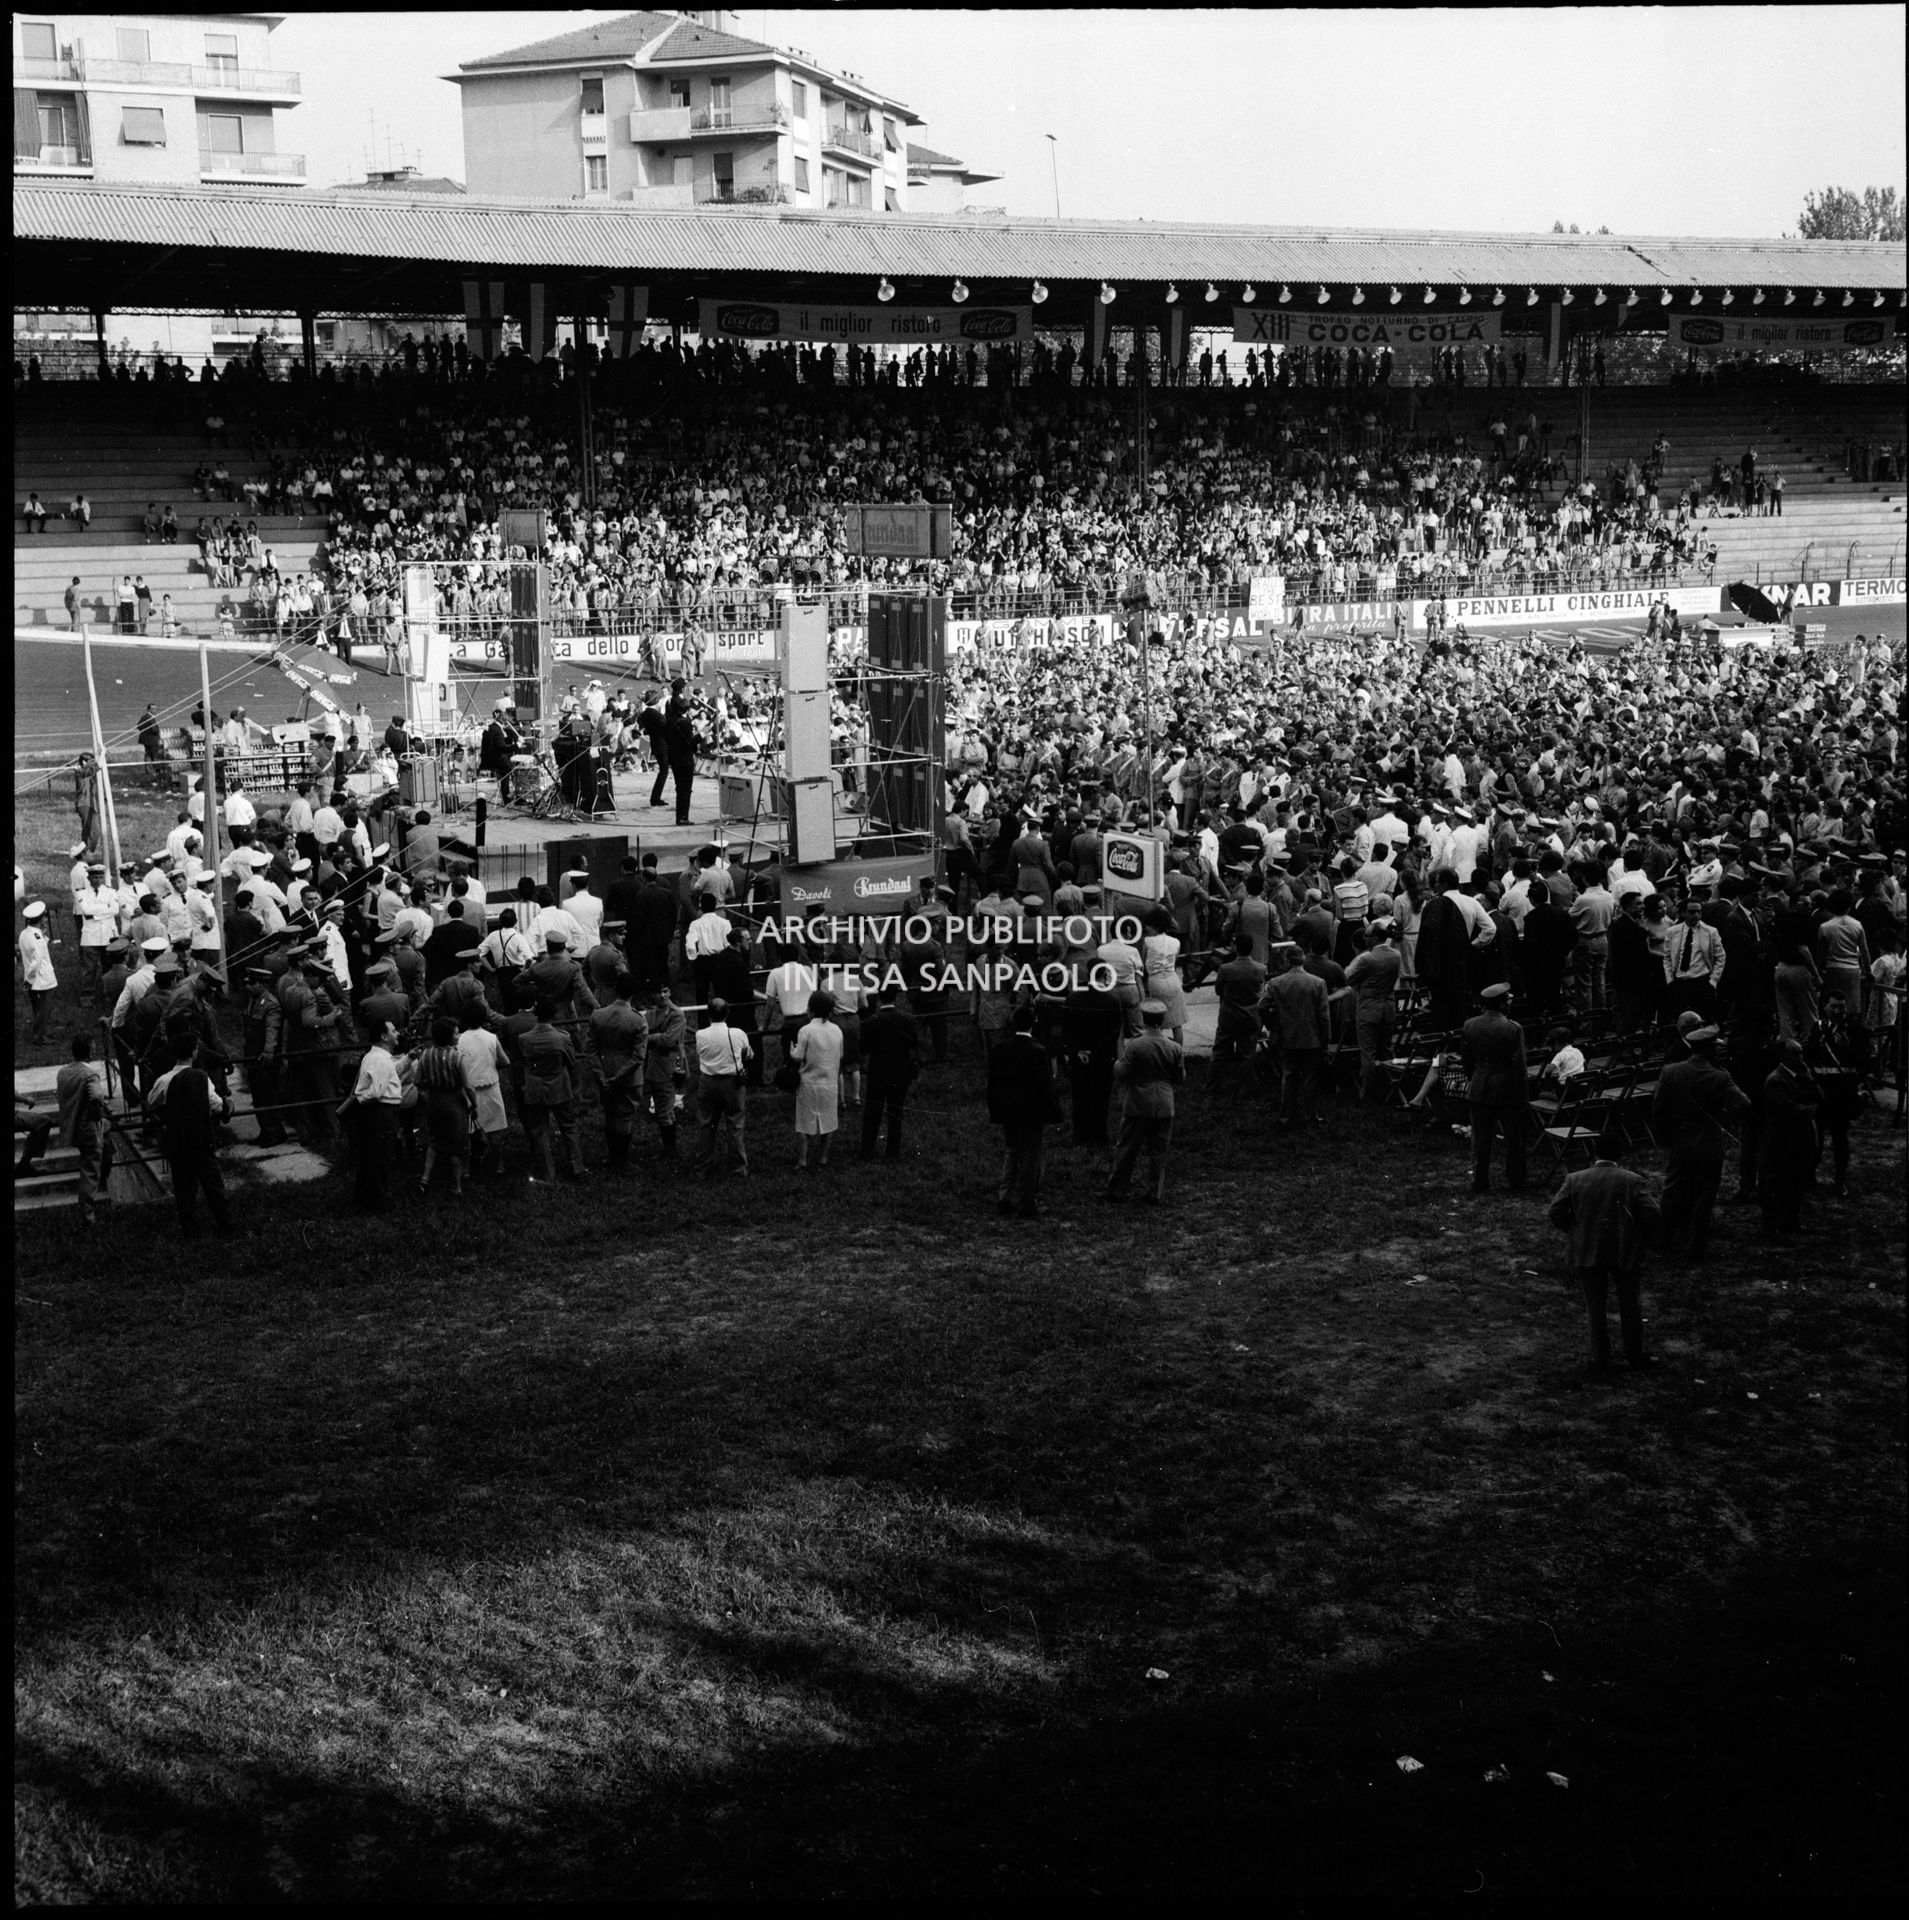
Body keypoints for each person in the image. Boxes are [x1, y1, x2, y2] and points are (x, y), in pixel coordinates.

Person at [1546, 1131, 1661, 1374]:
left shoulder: (1575, 1179)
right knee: (1630, 1304)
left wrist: (1575, 1230)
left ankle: (1599, 1358)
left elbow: (1556, 1211)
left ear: (1595, 1153)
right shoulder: (1632, 1180)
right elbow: (1652, 1213)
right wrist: (1635, 1235)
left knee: (1595, 1306)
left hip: (1588, 1249)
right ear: (1619, 1154)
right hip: (1623, 1250)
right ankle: (1635, 1355)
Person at [1650, 1025, 1750, 1261]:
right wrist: (1725, 1117)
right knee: (1703, 1198)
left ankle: (1663, 1239)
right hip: (1708, 1143)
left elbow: (1658, 1108)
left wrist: (1664, 1136)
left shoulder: (1670, 1071)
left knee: (1673, 1191)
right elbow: (1743, 1104)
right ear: (1709, 1050)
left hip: (1680, 1141)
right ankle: (1695, 1248)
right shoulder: (1720, 1076)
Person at [1104, 999, 1187, 1204]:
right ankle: (1154, 1193)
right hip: (1165, 1103)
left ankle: (1117, 1190)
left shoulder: (1135, 1045)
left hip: (1138, 1102)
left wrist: (1117, 1062)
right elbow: (1179, 1078)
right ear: (1162, 1019)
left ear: (1144, 1018)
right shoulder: (1174, 1047)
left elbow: (1121, 1074)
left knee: (1127, 1148)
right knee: (1159, 1151)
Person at [987, 1002, 1058, 1217]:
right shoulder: (1037, 1050)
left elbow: (993, 1083)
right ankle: (1028, 1202)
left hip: (1008, 1110)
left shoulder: (1000, 1048)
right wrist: (1052, 1111)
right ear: (1034, 1023)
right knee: (1031, 1155)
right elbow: (1044, 1086)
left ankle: (1005, 1197)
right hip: (1031, 1111)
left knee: (1012, 1151)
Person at [150, 1058, 232, 1238]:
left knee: (183, 1187)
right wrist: (226, 1106)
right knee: (213, 1183)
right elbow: (217, 1105)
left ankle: (190, 1229)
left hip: (178, 1139)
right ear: (194, 1051)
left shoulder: (164, 1080)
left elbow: (152, 1101)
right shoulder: (201, 1077)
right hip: (201, 1138)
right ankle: (225, 1224)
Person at [1461, 980, 1529, 1193]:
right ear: (1501, 1004)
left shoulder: (1470, 1025)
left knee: (1481, 1138)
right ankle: (1515, 1180)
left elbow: (1467, 1060)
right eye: (1507, 1000)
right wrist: (1522, 1097)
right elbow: (1519, 1067)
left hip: (1480, 1085)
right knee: (1513, 1138)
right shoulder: (1512, 1029)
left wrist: (1478, 1077)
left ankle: (1480, 1180)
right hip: (1505, 1088)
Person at [1757, 1038, 1821, 1238]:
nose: (1800, 1057)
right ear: (1783, 1057)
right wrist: (1812, 1109)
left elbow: (1820, 1097)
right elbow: (1789, 1110)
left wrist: (1809, 1078)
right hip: (1782, 1141)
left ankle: (1789, 1222)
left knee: (1796, 1184)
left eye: (1801, 1052)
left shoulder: (1800, 1076)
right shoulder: (1775, 1080)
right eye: (1795, 1053)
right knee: (1778, 1185)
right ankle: (1771, 1228)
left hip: (1800, 1140)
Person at [519, 999, 584, 1184]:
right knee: (569, 1127)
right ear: (554, 1015)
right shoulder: (563, 1037)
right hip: (559, 1087)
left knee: (540, 1131)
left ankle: (549, 1172)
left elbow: (525, 1064)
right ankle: (577, 1168)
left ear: (536, 1014)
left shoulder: (524, 1039)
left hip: (535, 1088)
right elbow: (572, 1062)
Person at [346, 1016, 407, 1212]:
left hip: (376, 1113)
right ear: (384, 1036)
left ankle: (364, 1200)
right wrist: (359, 1101)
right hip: (381, 1113)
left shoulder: (377, 1057)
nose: (397, 1034)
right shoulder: (380, 1060)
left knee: (370, 1157)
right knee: (380, 1158)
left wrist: (410, 1058)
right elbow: (377, 1091)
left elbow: (390, 1073)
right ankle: (378, 1203)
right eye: (393, 1031)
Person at [1266, 942, 1329, 1127]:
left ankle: (1286, 1116)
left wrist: (1273, 1024)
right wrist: (1325, 1039)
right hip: (1312, 1036)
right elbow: (1324, 1016)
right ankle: (1310, 1115)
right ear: (1303, 960)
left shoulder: (1276, 983)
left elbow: (1262, 1006)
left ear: (1286, 961)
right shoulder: (1318, 983)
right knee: (1310, 1079)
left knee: (1288, 1076)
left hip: (1287, 1035)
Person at [589, 975, 648, 1173]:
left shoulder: (598, 1015)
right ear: (633, 994)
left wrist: (601, 1075)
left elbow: (591, 1049)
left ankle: (613, 1157)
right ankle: (621, 1161)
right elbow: (638, 1057)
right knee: (625, 1117)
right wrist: (618, 1077)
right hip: (628, 1077)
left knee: (609, 1114)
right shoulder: (638, 1020)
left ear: (615, 989)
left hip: (604, 1070)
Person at [413, 1015, 475, 1197]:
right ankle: (457, 1186)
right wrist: (475, 1105)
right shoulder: (458, 1057)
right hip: (455, 1101)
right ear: (449, 1037)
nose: (459, 1036)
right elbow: (468, 1087)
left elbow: (418, 1081)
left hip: (434, 1101)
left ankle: (425, 1178)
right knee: (456, 1144)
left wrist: (428, 1093)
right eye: (456, 1033)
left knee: (435, 1140)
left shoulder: (425, 1055)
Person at [858, 982, 920, 1160]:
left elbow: (864, 1049)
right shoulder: (907, 1019)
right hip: (900, 1071)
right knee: (896, 1113)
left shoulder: (870, 1022)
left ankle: (867, 1151)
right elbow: (914, 1043)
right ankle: (893, 1152)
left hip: (878, 1072)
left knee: (872, 1113)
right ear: (896, 997)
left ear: (878, 998)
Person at [55, 1034, 110, 1226]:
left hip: (72, 1126)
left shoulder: (63, 1072)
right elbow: (96, 1096)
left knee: (102, 1148)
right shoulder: (89, 1074)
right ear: (90, 1051)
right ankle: (87, 1216)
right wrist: (101, 1105)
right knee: (90, 1169)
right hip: (88, 1127)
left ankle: (107, 1161)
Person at [789, 987, 845, 1171]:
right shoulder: (837, 1030)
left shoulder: (806, 1031)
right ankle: (823, 1157)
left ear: (810, 1009)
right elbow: (840, 1054)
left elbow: (798, 1056)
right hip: (830, 1081)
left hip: (809, 1083)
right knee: (828, 1122)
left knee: (804, 1124)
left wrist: (792, 1050)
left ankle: (803, 1160)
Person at [695, 995, 752, 1176]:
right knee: (735, 1124)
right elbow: (749, 1055)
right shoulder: (738, 1034)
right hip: (732, 1083)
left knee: (706, 1125)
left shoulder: (700, 1035)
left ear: (708, 1014)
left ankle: (703, 1167)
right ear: (727, 1013)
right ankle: (738, 1167)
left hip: (708, 1082)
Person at [18, 900, 56, 1043]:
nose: (45, 919)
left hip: (33, 978)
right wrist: (30, 978)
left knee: (38, 1008)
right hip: (41, 979)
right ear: (41, 919)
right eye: (44, 917)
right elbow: (37, 960)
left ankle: (41, 1032)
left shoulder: (25, 933)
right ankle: (39, 1036)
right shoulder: (37, 937)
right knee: (43, 1009)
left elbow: (34, 949)